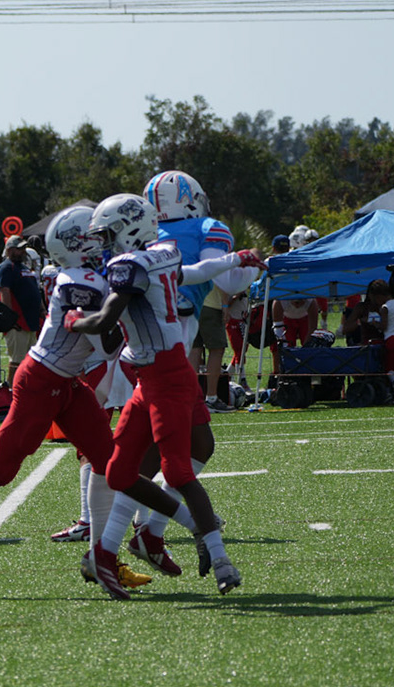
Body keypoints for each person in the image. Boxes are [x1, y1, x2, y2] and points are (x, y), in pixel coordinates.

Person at [0, 205, 149, 597]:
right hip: (41, 381)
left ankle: (101, 556)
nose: (105, 241)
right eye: (98, 235)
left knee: (106, 459)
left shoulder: (90, 276)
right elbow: (107, 346)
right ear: (79, 243)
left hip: (66, 382)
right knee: (0, 468)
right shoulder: (81, 282)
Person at [65, 194, 262, 598]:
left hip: (166, 378)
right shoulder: (163, 253)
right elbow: (196, 272)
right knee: (119, 473)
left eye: (108, 234)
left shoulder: (130, 265)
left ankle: (220, 557)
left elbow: (105, 320)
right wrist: (236, 258)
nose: (104, 243)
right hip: (151, 376)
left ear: (129, 229)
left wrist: (72, 320)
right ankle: (111, 552)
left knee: (178, 472)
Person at [145, 171, 254, 408]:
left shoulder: (145, 234)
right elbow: (228, 282)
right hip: (176, 326)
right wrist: (253, 267)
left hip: (142, 329)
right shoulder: (204, 227)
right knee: (168, 404)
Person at [0, 235, 47, 379]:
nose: (23, 251)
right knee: (16, 362)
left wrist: (42, 309)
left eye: (24, 248)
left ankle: (26, 389)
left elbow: (35, 290)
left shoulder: (24, 268)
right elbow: (5, 292)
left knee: (31, 362)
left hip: (31, 322)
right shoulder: (7, 267)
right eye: (19, 249)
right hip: (19, 323)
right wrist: (10, 319)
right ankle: (12, 390)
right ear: (10, 250)